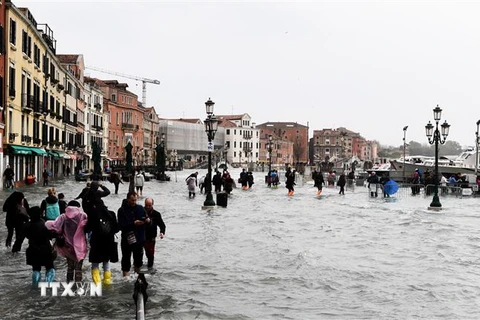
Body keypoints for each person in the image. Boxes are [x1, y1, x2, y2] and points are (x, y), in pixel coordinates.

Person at [46, 200, 88, 283]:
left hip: (67, 245)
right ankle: (78, 286)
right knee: (78, 267)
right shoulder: (83, 216)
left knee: (70, 266)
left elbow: (56, 227)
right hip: (80, 245)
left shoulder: (63, 217)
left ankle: (69, 284)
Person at [86, 194, 118, 285]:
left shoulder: (93, 215)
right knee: (106, 264)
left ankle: (97, 285)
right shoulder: (111, 214)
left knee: (95, 264)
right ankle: (107, 284)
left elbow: (87, 229)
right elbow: (116, 228)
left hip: (96, 242)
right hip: (109, 242)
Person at [118, 192, 148, 277]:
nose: (134, 202)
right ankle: (126, 278)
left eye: (135, 200)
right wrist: (133, 223)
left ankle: (137, 276)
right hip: (127, 239)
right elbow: (121, 226)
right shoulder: (122, 210)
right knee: (126, 259)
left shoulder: (140, 208)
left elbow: (146, 219)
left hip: (139, 239)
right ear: (128, 199)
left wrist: (148, 221)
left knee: (138, 261)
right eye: (132, 200)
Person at [24, 206, 56, 286]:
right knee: (50, 268)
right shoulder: (45, 224)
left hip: (32, 249)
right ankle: (48, 284)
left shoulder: (27, 225)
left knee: (36, 269)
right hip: (45, 249)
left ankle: (35, 285)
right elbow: (50, 236)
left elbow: (26, 235)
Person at [144, 198, 166, 270]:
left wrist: (162, 232)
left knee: (150, 255)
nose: (147, 207)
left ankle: (150, 270)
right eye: (146, 205)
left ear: (152, 205)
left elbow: (162, 225)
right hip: (141, 236)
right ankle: (137, 270)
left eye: (149, 205)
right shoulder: (140, 211)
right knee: (138, 255)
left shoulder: (156, 214)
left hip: (151, 238)